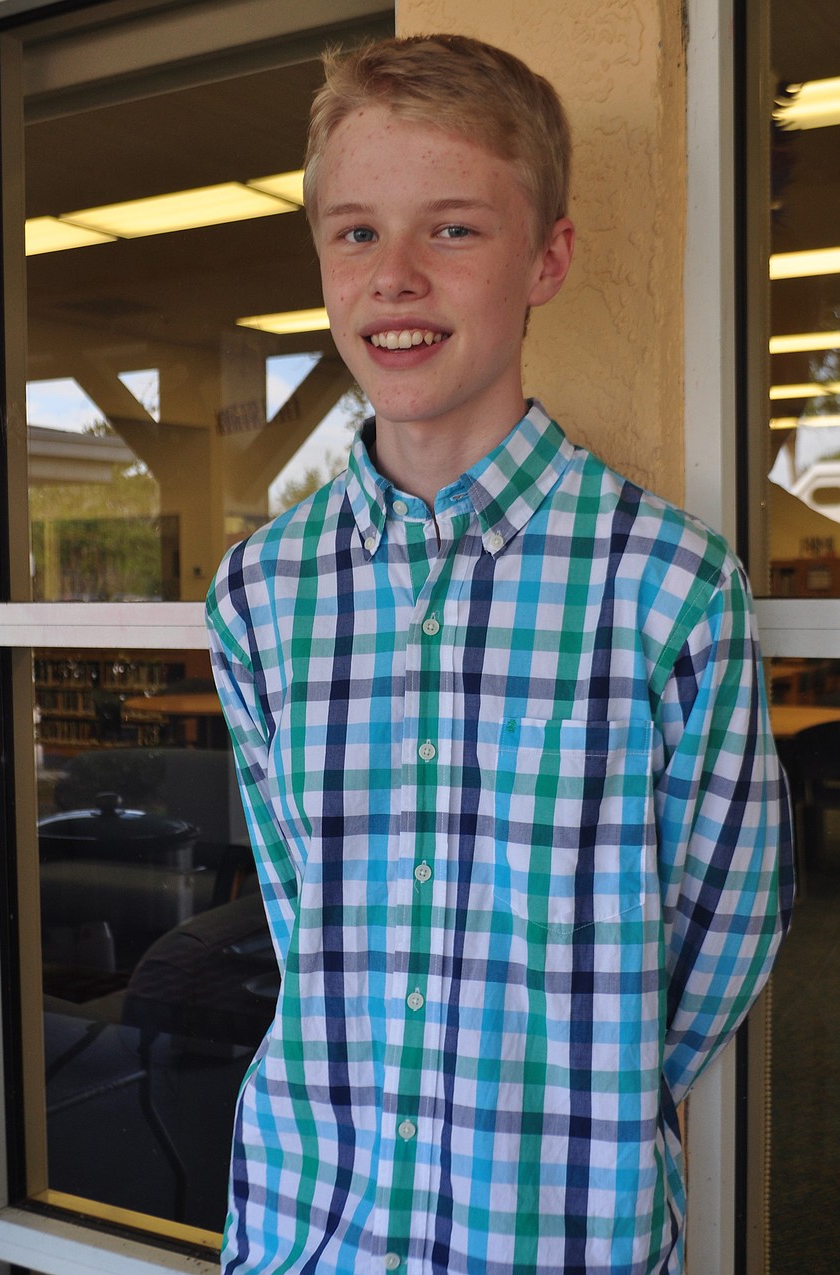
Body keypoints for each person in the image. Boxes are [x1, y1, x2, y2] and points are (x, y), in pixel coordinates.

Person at [206, 33, 794, 1275]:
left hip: (552, 1227)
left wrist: (583, 1086)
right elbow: (297, 904)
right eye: (356, 232)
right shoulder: (261, 591)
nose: (395, 277)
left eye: (454, 230)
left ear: (547, 259)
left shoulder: (665, 585)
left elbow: (725, 925)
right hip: (307, 1224)